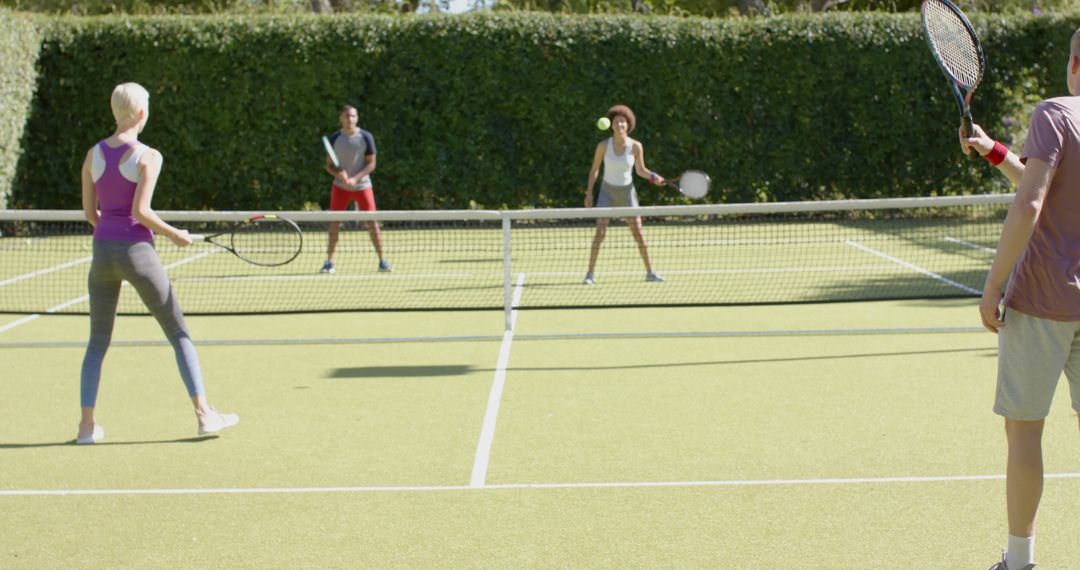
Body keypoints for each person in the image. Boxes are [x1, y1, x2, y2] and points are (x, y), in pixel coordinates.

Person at [960, 27, 1080, 570]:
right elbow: (1046, 184)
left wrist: (993, 285)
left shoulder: (1057, 113)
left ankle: (1019, 561)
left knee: (1025, 430)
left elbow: (1032, 204)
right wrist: (993, 150)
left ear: (1074, 64)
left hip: (1041, 301)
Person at [77, 82, 238, 444]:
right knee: (179, 333)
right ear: (142, 114)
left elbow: (91, 214)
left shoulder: (93, 154)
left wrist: (112, 233)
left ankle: (87, 427)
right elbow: (141, 211)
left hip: (102, 252)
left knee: (97, 342)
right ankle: (204, 415)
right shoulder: (149, 155)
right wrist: (174, 234)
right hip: (137, 253)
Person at [583, 104, 665, 285]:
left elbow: (641, 170)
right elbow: (595, 170)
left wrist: (653, 177)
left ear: (628, 125)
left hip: (628, 194)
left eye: (623, 122)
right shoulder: (603, 146)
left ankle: (651, 273)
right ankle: (590, 274)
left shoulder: (636, 146)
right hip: (606, 193)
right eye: (617, 122)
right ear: (611, 125)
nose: (620, 125)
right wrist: (589, 193)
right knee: (600, 234)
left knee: (639, 234)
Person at [321, 105, 390, 274]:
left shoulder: (366, 137)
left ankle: (382, 261)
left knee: (372, 222)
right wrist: (339, 174)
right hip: (340, 188)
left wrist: (355, 178)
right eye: (346, 116)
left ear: (357, 118)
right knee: (334, 223)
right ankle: (329, 262)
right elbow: (329, 165)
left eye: (352, 116)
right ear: (341, 118)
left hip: (363, 186)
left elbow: (371, 163)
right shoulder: (334, 138)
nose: (349, 119)